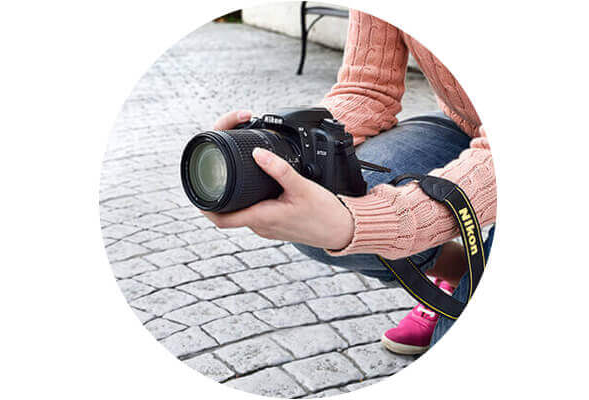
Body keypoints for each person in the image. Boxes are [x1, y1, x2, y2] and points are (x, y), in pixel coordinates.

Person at [203, 10, 496, 354]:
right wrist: (286, 142)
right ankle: (462, 274)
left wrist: (374, 221)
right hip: (465, 123)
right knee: (323, 204)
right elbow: (368, 88)